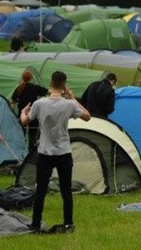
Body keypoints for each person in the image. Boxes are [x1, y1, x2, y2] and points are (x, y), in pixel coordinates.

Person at [21, 71, 90, 234]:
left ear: (50, 83)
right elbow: (87, 116)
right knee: (66, 191)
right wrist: (72, 98)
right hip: (64, 153)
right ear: (64, 86)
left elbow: (25, 121)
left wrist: (23, 111)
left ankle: (35, 224)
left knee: (40, 191)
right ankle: (68, 224)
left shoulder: (39, 104)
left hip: (45, 153)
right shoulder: (69, 104)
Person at [10, 69, 49, 149]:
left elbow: (12, 101)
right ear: (31, 78)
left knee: (21, 133)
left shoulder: (19, 88)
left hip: (22, 114)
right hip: (33, 113)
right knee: (33, 135)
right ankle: (31, 152)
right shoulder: (35, 88)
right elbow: (49, 92)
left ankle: (20, 151)